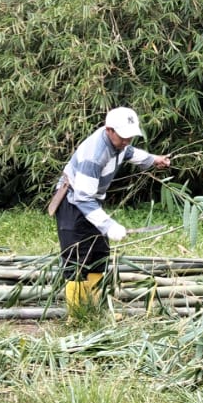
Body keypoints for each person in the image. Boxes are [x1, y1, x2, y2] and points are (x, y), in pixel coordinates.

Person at [50, 106, 171, 312]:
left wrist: (153, 159)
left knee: (99, 255)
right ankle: (78, 315)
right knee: (76, 259)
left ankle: (94, 308)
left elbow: (128, 151)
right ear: (109, 130)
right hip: (73, 203)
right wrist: (109, 226)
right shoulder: (94, 156)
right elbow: (83, 198)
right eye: (123, 136)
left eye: (130, 136)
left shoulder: (119, 143)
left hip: (92, 202)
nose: (126, 141)